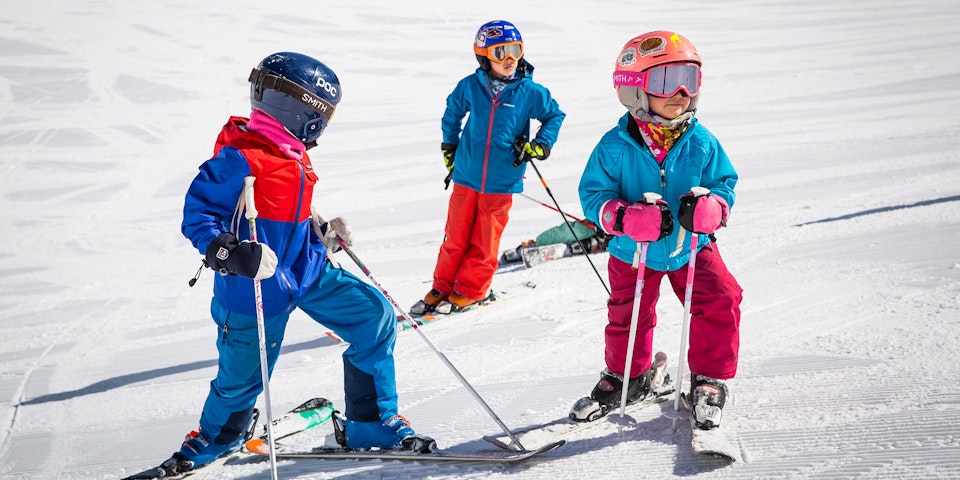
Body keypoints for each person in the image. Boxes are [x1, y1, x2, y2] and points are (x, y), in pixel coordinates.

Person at [152, 52, 435, 476]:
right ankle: (218, 437)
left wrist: (319, 229)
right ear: (306, 111)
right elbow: (198, 215)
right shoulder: (241, 156)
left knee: (372, 315)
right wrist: (229, 253)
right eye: (325, 115)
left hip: (306, 271)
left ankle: (369, 423)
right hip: (253, 288)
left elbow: (283, 213)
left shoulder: (289, 151)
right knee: (243, 377)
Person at [574, 32, 743, 430]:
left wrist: (713, 208)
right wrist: (623, 218)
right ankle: (627, 376)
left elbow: (724, 184)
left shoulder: (701, 141)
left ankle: (708, 378)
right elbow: (594, 195)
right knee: (627, 315)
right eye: (667, 81)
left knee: (721, 298)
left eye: (690, 79)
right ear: (633, 89)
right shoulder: (614, 146)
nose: (681, 92)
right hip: (633, 252)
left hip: (692, 246)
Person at [411, 20, 566, 315]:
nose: (510, 59)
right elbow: (452, 114)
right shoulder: (470, 86)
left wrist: (540, 145)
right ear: (484, 56)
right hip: (466, 175)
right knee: (455, 236)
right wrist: (449, 147)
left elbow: (554, 116)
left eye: (515, 51)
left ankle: (471, 289)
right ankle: (443, 284)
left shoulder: (529, 92)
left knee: (484, 238)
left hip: (502, 178)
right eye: (500, 52)